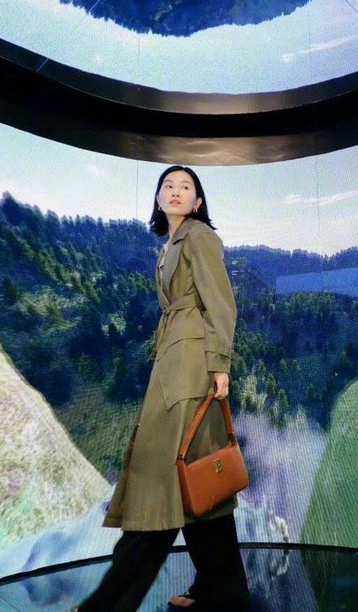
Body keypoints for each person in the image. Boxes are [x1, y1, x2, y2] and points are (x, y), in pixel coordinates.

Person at [74, 166, 250, 612]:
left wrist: (220, 364)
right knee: (198, 478)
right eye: (167, 186)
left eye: (185, 187)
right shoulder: (170, 244)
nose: (175, 191)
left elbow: (221, 304)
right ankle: (222, 590)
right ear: (157, 198)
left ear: (197, 202)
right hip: (175, 361)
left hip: (191, 368)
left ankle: (107, 605)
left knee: (160, 480)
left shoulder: (199, 237)